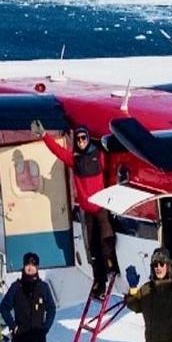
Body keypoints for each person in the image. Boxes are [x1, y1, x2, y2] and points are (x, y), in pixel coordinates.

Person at [33, 121, 118, 298]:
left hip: (101, 206)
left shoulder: (99, 155)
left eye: (83, 138)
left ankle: (112, 267)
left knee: (107, 239)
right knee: (93, 248)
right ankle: (99, 282)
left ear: (88, 139)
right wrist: (44, 135)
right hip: (87, 211)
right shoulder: (75, 159)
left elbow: (110, 171)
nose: (80, 141)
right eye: (78, 138)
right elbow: (57, 151)